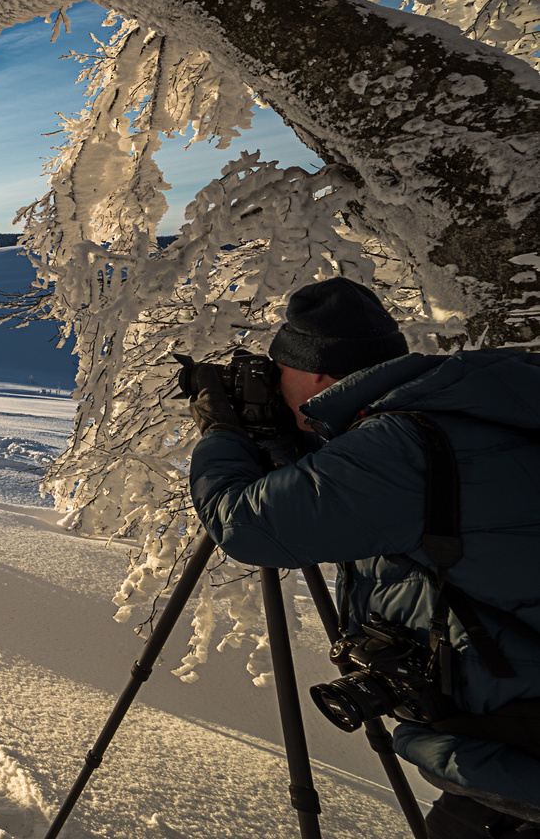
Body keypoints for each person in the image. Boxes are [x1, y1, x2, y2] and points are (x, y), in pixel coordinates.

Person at [186, 278, 540, 838]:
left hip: (520, 746)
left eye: (281, 371)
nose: (275, 387)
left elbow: (248, 525)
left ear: (320, 375)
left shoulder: (398, 447)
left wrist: (220, 432)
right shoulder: (458, 408)